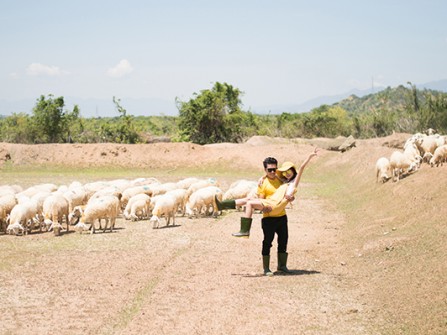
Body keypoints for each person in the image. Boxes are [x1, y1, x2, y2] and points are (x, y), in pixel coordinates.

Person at [216, 148, 318, 276]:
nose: (272, 172)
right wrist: (264, 206)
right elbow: (261, 200)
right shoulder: (263, 183)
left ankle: (282, 266)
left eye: (274, 169)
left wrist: (292, 197)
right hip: (268, 215)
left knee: (283, 241)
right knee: (266, 240)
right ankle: (266, 268)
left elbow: (296, 177)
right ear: (265, 170)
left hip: (280, 215)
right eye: (269, 170)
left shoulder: (282, 180)